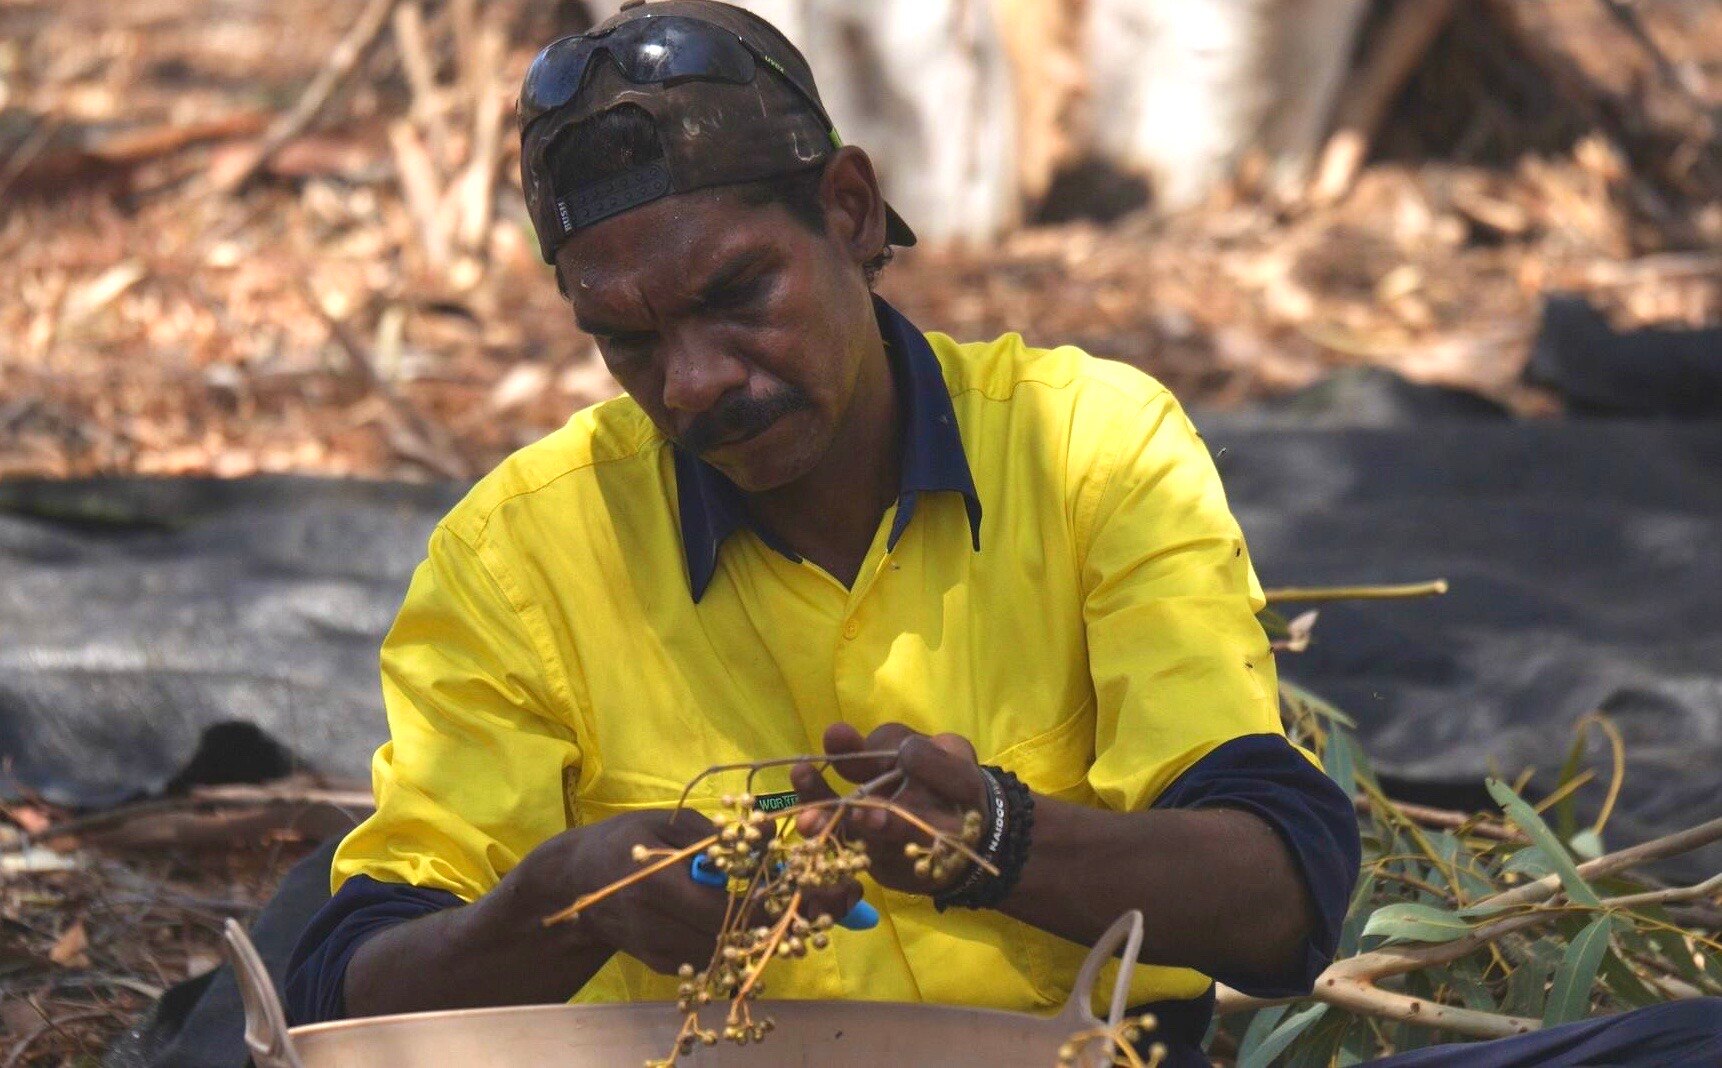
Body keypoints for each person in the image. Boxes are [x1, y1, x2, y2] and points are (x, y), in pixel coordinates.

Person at [284, 4, 1720, 1066]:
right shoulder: (520, 554)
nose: (696, 380)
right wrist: (557, 906)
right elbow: (342, 992)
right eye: (629, 341)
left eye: (735, 295)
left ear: (850, 211)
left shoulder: (1088, 447)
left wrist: (995, 840)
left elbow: (1284, 896)